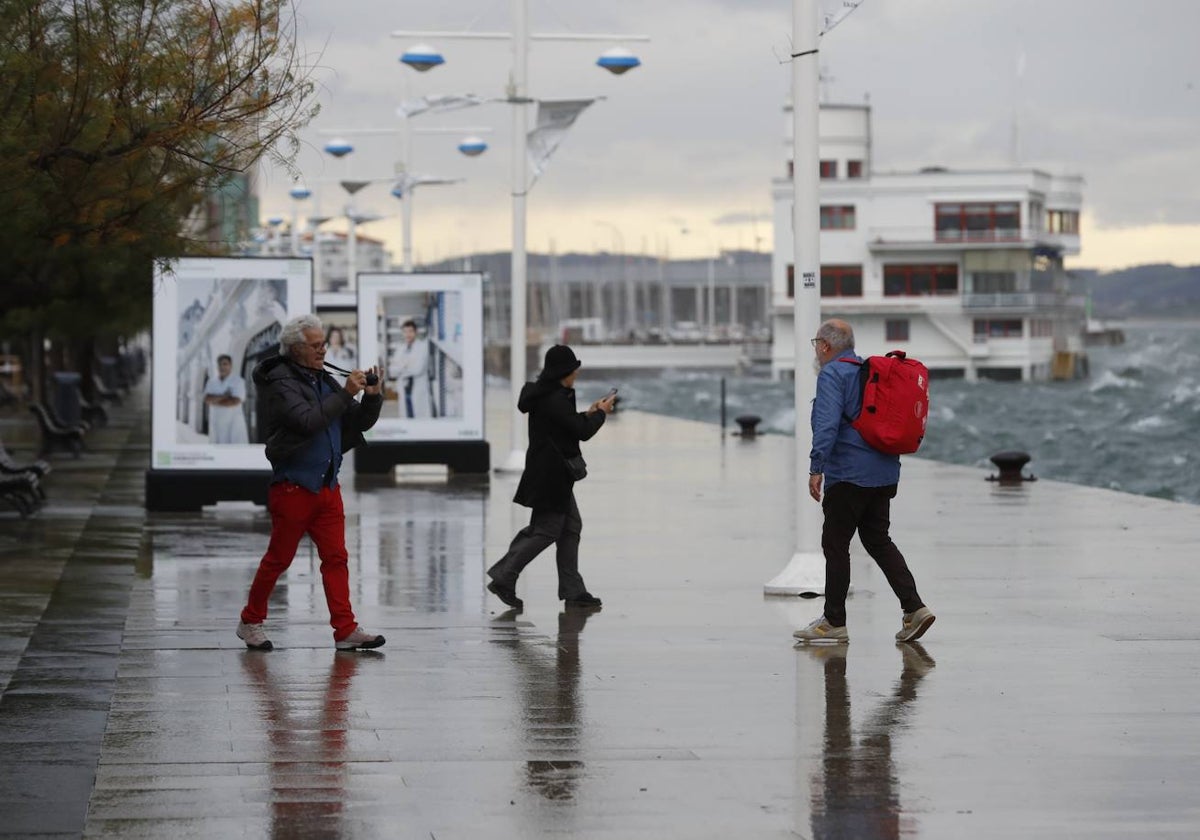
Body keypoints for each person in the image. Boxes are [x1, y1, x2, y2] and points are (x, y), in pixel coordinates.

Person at [235, 314, 386, 652]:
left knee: (337, 558)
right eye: (316, 346)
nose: (323, 351)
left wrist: (372, 397)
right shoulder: (280, 382)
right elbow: (307, 421)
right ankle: (249, 620)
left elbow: (358, 421)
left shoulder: (322, 378)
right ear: (295, 349)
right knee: (279, 558)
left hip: (327, 486)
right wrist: (347, 393)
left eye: (323, 345)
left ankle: (345, 630)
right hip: (295, 486)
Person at [793, 319, 935, 645]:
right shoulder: (869, 371)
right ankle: (914, 608)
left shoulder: (832, 374)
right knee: (878, 541)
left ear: (825, 346)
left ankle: (834, 621)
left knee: (835, 544)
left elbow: (826, 426)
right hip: (883, 473)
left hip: (849, 476)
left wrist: (816, 468)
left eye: (816, 342)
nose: (815, 348)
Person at [486, 345, 616, 610]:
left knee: (570, 527)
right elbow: (581, 432)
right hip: (551, 476)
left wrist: (589, 413)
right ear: (563, 372)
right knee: (546, 530)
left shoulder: (549, 394)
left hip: (552, 473)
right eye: (573, 370)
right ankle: (504, 576)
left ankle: (573, 590)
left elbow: (567, 424)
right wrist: (601, 414)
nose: (576, 374)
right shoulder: (554, 397)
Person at [203, 354, 249, 444]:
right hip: (216, 423)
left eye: (225, 364)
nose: (222, 367)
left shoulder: (238, 381)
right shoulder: (212, 382)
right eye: (220, 364)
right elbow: (206, 399)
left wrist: (214, 400)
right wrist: (225, 396)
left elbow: (235, 401)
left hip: (233, 424)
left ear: (230, 366)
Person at [393, 319, 432, 418]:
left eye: (410, 331)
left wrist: (402, 367)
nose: (408, 334)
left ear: (415, 332)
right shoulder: (400, 348)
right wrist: (406, 366)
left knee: (419, 416)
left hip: (418, 387)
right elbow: (393, 369)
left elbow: (418, 369)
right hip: (404, 387)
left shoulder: (422, 347)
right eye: (405, 332)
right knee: (406, 415)